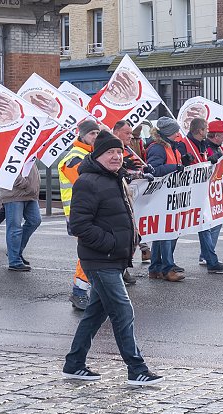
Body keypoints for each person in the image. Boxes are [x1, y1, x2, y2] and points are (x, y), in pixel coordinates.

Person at [62, 130, 164, 386]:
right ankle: (136, 369)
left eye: (119, 152)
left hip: (114, 258)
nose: (117, 156)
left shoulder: (115, 178)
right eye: (110, 152)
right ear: (98, 155)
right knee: (123, 311)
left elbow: (123, 215)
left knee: (95, 314)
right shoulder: (88, 182)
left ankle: (74, 364)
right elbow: (80, 225)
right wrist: (112, 243)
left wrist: (133, 238)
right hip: (100, 259)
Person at [59, 119, 99, 310]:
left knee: (95, 251)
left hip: (91, 212)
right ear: (82, 135)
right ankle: (79, 292)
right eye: (92, 134)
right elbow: (88, 182)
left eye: (98, 134)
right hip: (79, 214)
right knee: (88, 252)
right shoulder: (75, 157)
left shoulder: (89, 155)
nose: (96, 137)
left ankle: (89, 290)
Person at [145, 117, 191, 282]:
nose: (178, 133)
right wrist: (176, 167)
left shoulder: (170, 147)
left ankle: (155, 267)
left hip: (170, 196)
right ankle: (167, 268)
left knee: (163, 233)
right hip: (162, 197)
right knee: (167, 233)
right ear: (168, 133)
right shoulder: (157, 148)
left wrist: (184, 162)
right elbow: (154, 170)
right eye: (175, 131)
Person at [113, 120, 152, 266]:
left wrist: (143, 171)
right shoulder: (113, 148)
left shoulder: (128, 148)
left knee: (132, 231)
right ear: (116, 132)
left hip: (130, 194)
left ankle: (125, 266)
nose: (131, 136)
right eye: (127, 133)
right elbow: (114, 171)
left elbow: (134, 167)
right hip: (118, 195)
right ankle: (122, 267)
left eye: (131, 133)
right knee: (124, 233)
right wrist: (127, 169)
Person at [199, 120, 223, 273]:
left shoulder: (216, 147)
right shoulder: (208, 148)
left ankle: (206, 254)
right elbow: (206, 164)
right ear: (215, 135)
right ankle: (209, 257)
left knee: (216, 222)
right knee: (207, 225)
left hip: (214, 191)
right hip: (205, 192)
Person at [0, 161, 42, 272]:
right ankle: (14, 261)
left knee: (35, 221)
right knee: (15, 228)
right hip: (14, 194)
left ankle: (15, 252)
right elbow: (8, 171)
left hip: (29, 194)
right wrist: (27, 185)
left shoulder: (27, 149)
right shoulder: (11, 148)